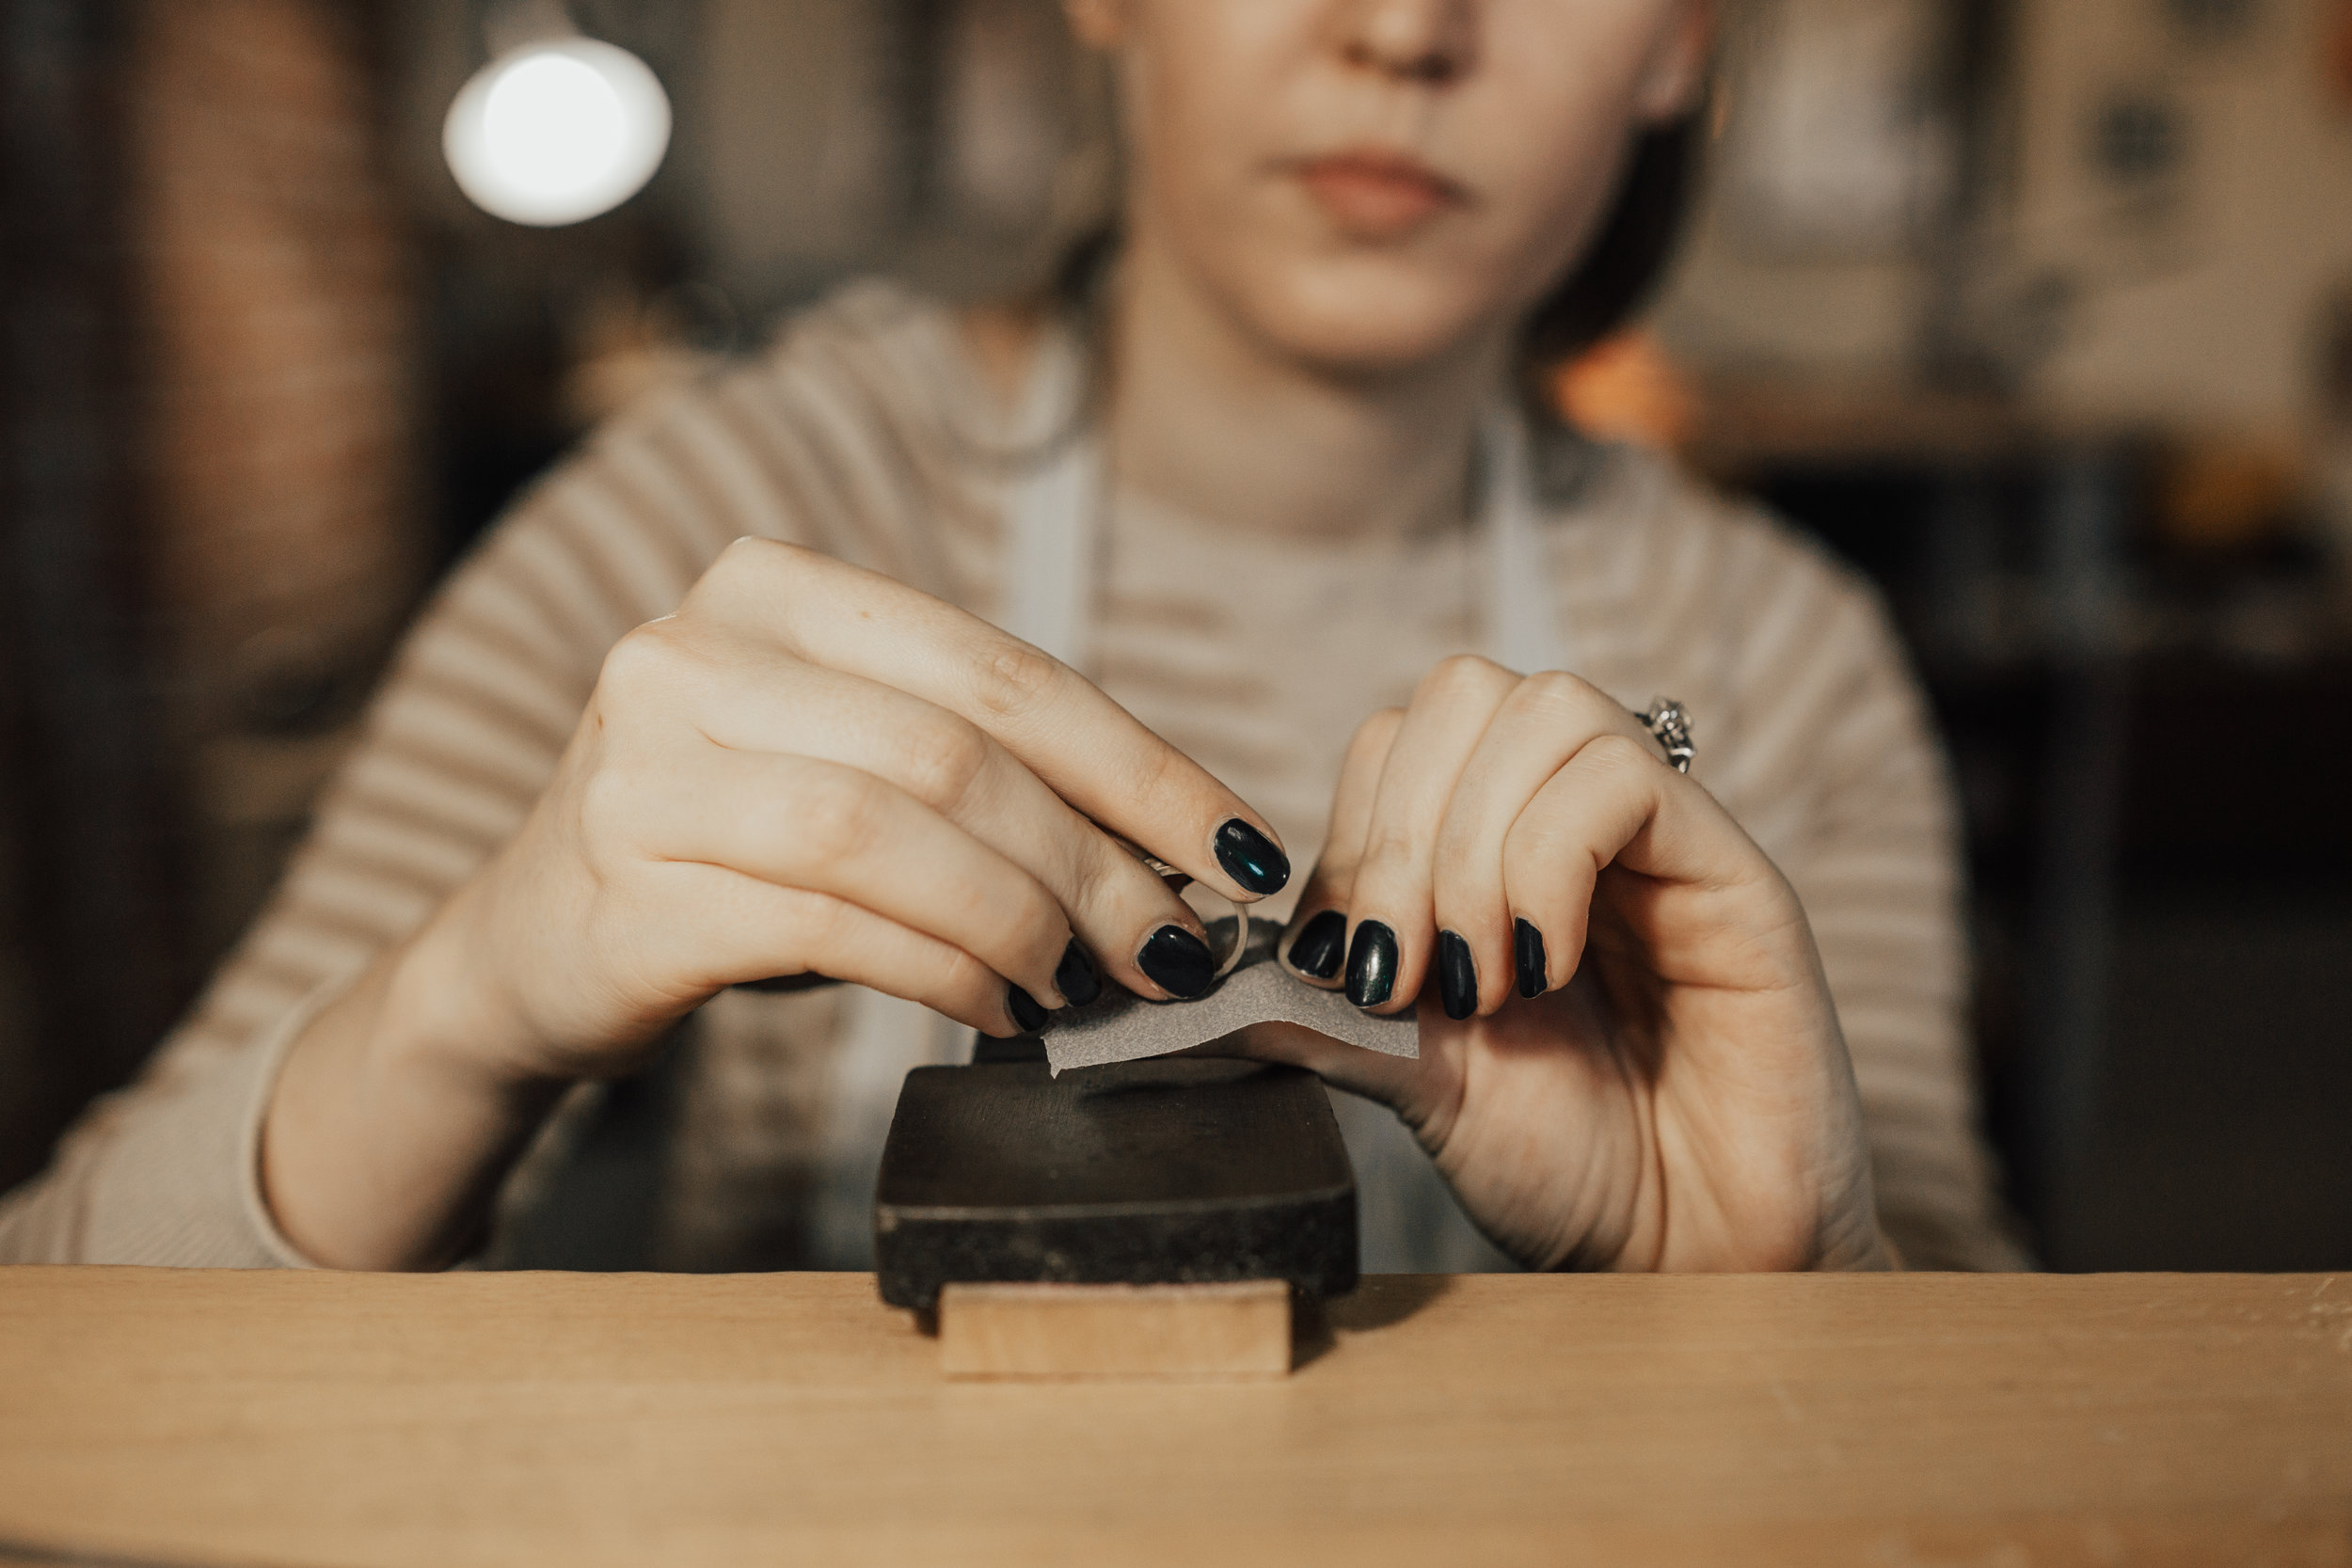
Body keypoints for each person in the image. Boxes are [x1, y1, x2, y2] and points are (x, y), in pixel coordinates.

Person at [0, 0, 2022, 1274]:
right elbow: (65, 1324)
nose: (1404, 28)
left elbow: (2037, 1446)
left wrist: (1788, 1292)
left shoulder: (1773, 658)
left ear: (1682, 41)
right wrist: (459, 1005)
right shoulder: (733, 514)